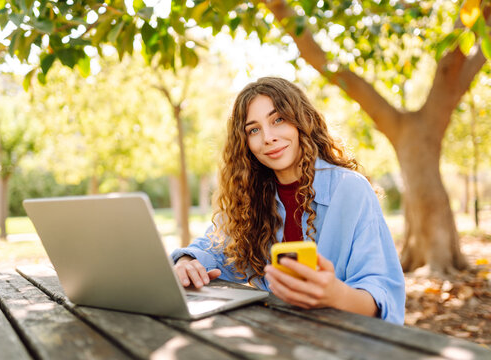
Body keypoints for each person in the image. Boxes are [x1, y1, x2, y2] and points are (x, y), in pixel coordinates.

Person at [170, 77, 405, 324]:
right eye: (254, 129)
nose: (268, 137)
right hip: (277, 337)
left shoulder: (350, 189)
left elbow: (384, 298)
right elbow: (212, 248)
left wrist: (335, 295)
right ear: (246, 143)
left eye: (278, 119)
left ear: (302, 121)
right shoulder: (250, 198)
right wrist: (187, 261)